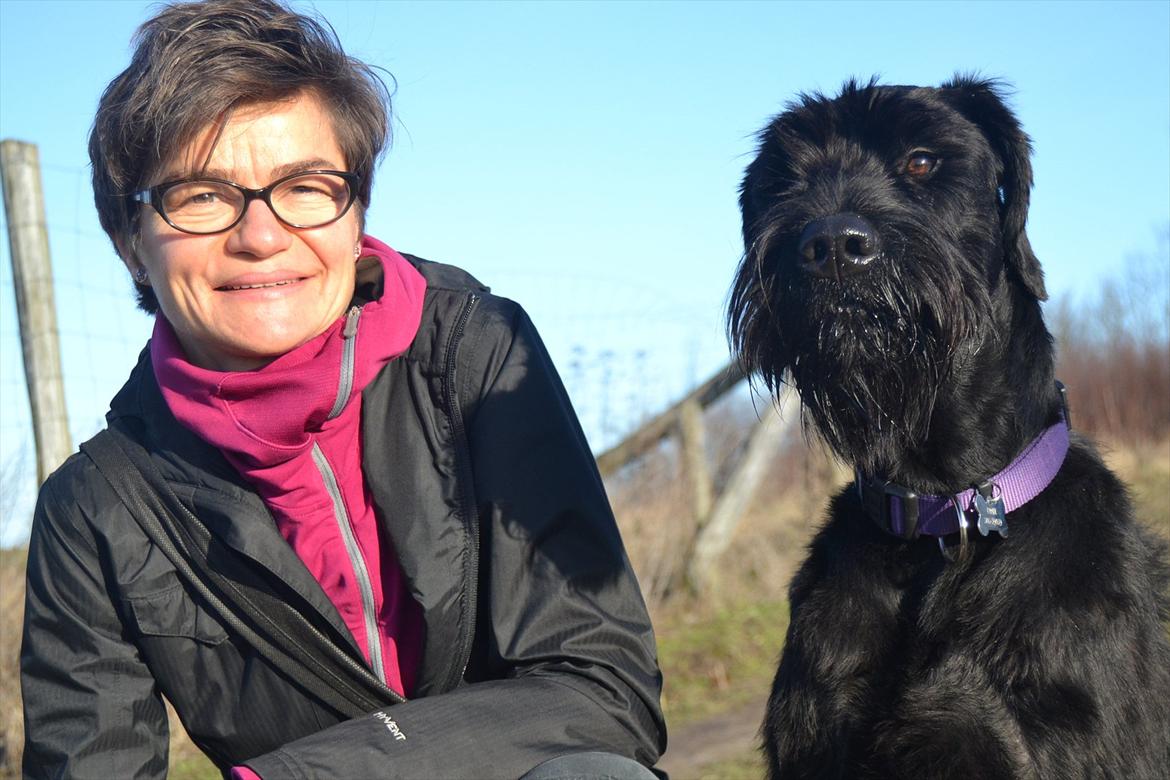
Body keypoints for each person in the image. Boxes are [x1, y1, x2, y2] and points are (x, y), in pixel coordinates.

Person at [19, 1, 665, 777]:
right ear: (130, 243)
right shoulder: (95, 508)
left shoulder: (476, 355)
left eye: (305, 186)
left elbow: (603, 690)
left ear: (355, 212)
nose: (260, 236)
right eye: (200, 195)